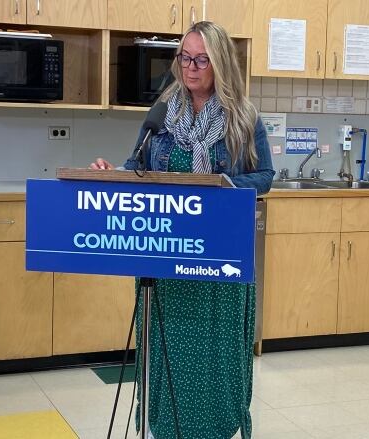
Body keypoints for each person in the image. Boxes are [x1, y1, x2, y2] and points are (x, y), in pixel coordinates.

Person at [90, 21, 274, 439]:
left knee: (214, 352)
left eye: (201, 60)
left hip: (219, 257)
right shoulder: (162, 112)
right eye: (185, 57)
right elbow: (139, 166)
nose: (190, 68)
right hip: (168, 256)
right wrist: (111, 172)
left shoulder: (243, 117)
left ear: (220, 63)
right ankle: (167, 427)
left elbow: (265, 175)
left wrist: (222, 185)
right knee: (169, 348)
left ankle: (216, 427)